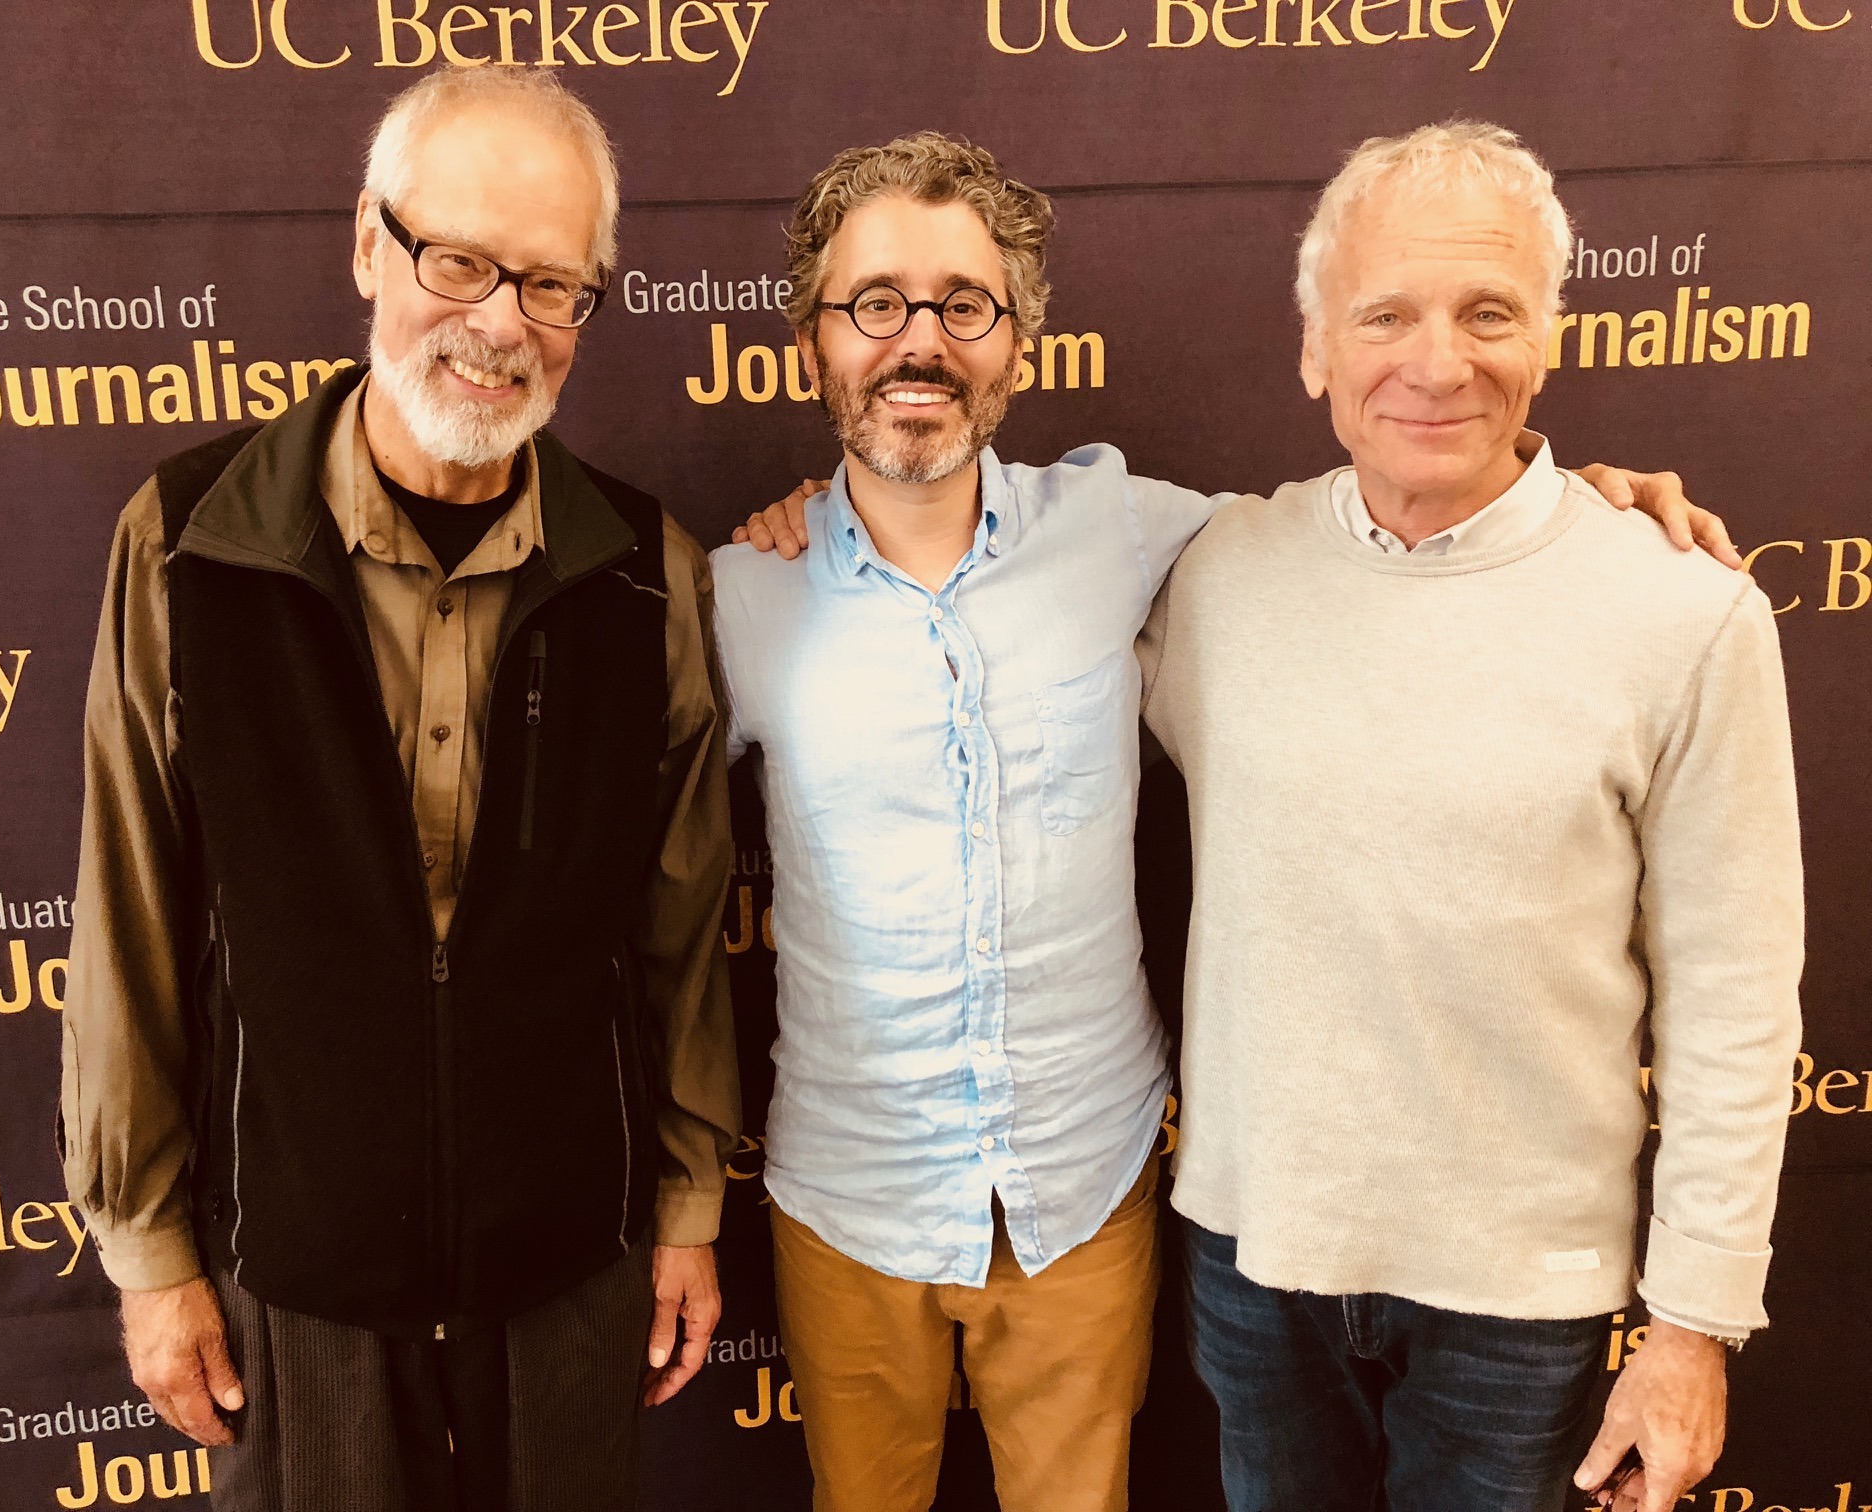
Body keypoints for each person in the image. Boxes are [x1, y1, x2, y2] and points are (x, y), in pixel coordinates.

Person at [716, 130, 1727, 1512]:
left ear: (1018, 342)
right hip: (845, 1192)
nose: (918, 342)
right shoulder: (733, 598)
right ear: (814, 337)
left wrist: (1584, 503)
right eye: (873, 302)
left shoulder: (1143, 533)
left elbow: (1409, 521)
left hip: (1089, 1188)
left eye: (964, 304)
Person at [59, 67, 739, 1512]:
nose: (500, 323)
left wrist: (685, 1203)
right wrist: (149, 1250)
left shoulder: (647, 574)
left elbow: (681, 936)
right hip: (294, 1270)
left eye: (553, 285)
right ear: (369, 244)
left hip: (570, 1256)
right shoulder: (187, 546)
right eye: (460, 260)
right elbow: (126, 913)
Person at [1136, 122, 1802, 1512]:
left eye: (1487, 312)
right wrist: (803, 520)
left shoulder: (1684, 610)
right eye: (1386, 315)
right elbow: (970, 573)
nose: (1437, 363)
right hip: (1256, 1262)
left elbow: (1738, 1006)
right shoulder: (1217, 575)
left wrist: (1689, 1327)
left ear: (1549, 339)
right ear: (1316, 346)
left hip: (1524, 1307)